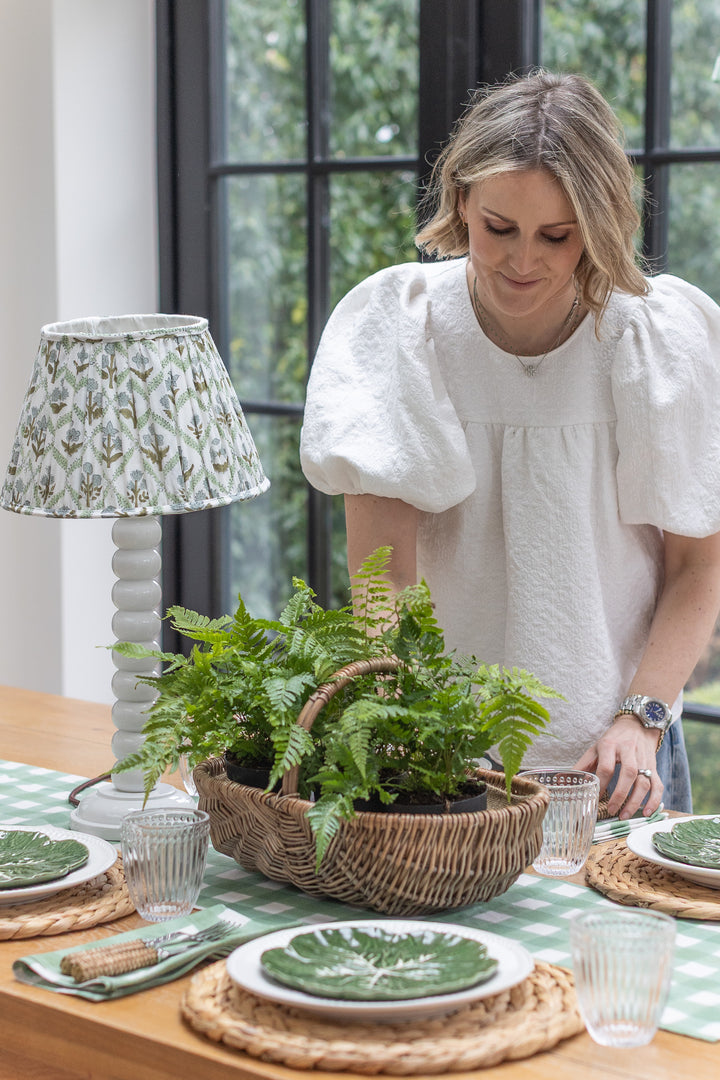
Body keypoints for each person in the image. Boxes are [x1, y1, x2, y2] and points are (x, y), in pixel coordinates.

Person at [299, 70, 720, 819]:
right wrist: (400, 727)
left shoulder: (652, 338)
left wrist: (643, 718)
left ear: (596, 223)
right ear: (461, 198)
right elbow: (381, 579)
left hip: (623, 759)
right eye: (500, 227)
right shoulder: (403, 329)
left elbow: (696, 567)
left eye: (557, 237)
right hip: (450, 766)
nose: (523, 261)